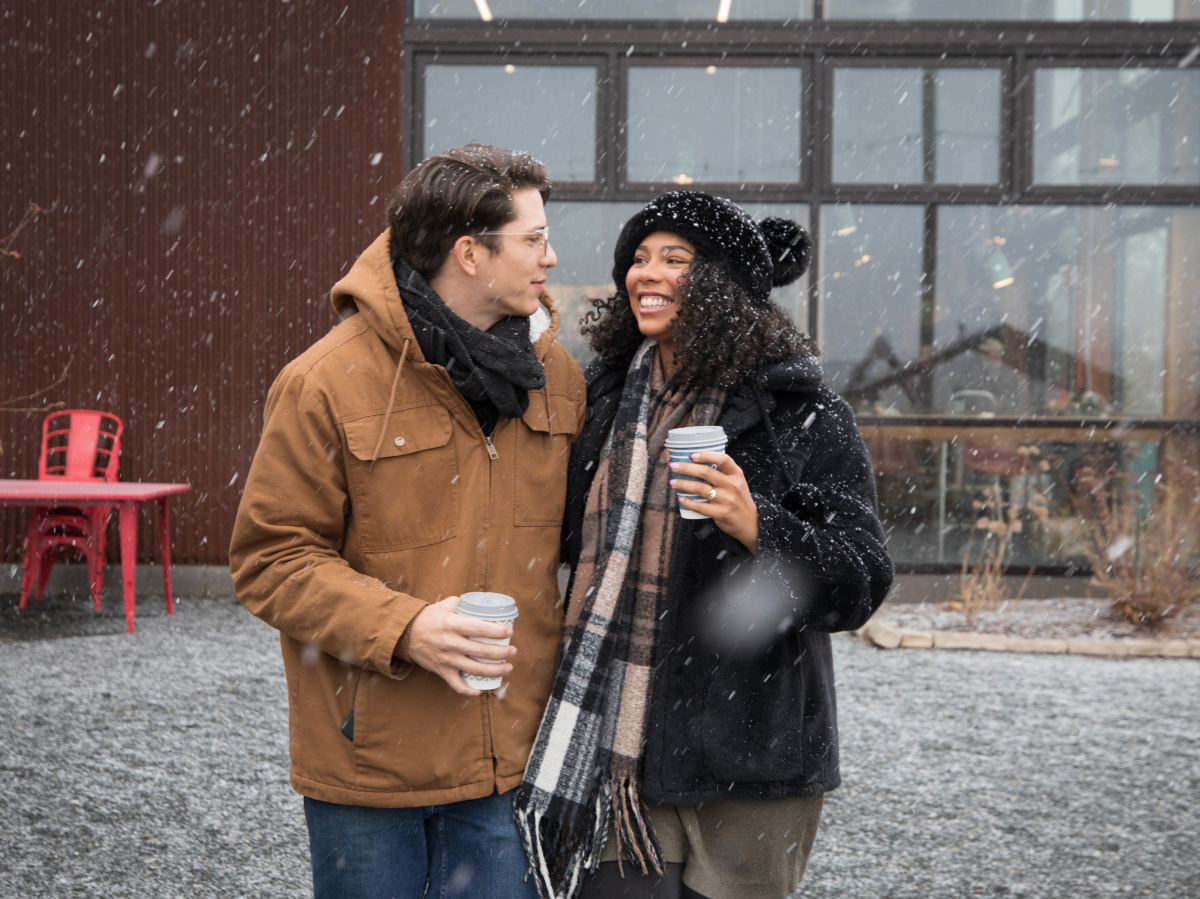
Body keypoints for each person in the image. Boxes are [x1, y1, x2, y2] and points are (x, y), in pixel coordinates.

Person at [228, 144, 586, 899]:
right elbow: (272, 558)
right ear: (469, 252)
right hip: (370, 771)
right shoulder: (323, 382)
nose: (550, 257)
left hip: (506, 759)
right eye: (532, 239)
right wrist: (406, 627)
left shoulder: (558, 377)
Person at [513, 192, 894, 899]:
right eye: (638, 257)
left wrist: (759, 526)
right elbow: (555, 533)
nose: (643, 272)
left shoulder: (799, 414)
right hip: (616, 750)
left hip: (751, 759)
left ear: (720, 283)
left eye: (674, 258)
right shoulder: (598, 400)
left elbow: (861, 580)